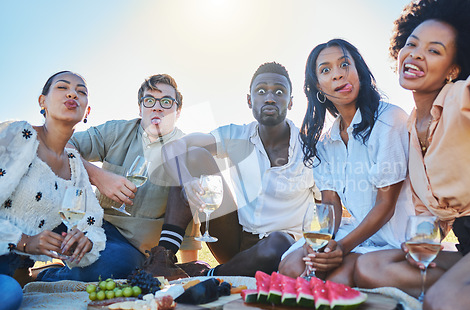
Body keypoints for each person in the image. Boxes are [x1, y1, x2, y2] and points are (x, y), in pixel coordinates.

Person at [354, 0, 470, 310]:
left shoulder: (461, 97)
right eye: (411, 44)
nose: (416, 54)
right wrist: (422, 240)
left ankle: (460, 288)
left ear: (454, 69)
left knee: (445, 301)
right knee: (371, 266)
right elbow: (431, 216)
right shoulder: (408, 130)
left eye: (434, 51)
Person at [161, 62, 320, 276]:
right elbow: (174, 147)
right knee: (194, 156)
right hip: (235, 241)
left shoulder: (311, 149)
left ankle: (208, 274)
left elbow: (328, 204)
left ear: (290, 102)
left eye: (279, 92)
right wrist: (187, 180)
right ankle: (162, 258)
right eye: (261, 91)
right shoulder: (236, 135)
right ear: (249, 100)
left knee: (279, 241)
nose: (270, 98)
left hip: (283, 252)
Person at [278, 39, 414, 286]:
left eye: (344, 65)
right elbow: (330, 203)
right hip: (357, 232)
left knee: (336, 280)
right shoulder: (326, 141)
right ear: (318, 86)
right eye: (326, 70)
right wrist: (322, 245)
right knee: (292, 267)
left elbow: (386, 205)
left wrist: (342, 247)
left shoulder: (389, 120)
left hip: (394, 235)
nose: (338, 75)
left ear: (358, 71)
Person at [62, 74, 205, 280]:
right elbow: (62, 145)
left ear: (178, 111)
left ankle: (51, 275)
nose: (157, 107)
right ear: (140, 108)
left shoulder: (185, 149)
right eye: (149, 101)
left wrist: (186, 267)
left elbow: (189, 212)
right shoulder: (116, 131)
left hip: (135, 249)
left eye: (166, 101)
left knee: (114, 267)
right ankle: (20, 258)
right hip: (96, 226)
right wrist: (97, 175)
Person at [0, 71, 106, 287]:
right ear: (43, 101)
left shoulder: (75, 164)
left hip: (11, 268)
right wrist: (24, 241)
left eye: (81, 92)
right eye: (62, 87)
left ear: (87, 110)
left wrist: (85, 239)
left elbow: (91, 219)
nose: (72, 94)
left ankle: (28, 275)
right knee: (8, 295)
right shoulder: (19, 135)